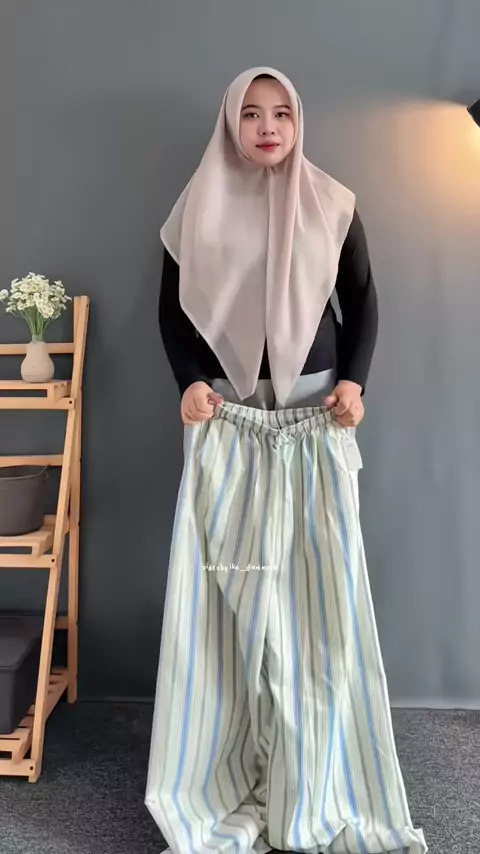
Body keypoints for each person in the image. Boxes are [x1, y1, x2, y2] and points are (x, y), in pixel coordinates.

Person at [146, 67, 427, 854]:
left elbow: (362, 300)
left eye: (281, 114)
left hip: (314, 416)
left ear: (299, 122)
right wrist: (189, 381)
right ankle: (231, 760)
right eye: (251, 113)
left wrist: (355, 383)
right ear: (230, 123)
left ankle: (316, 770)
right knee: (230, 593)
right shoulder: (196, 206)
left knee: (315, 600)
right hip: (228, 422)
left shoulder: (332, 203)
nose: (268, 127)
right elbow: (171, 312)